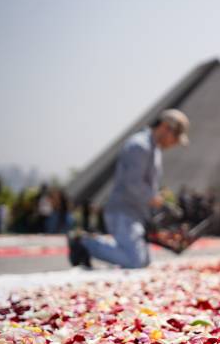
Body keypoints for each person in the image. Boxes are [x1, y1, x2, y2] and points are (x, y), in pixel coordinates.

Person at [68, 109, 190, 268]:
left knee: (144, 261)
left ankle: (90, 244)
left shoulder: (154, 150)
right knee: (135, 261)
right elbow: (132, 183)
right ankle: (84, 243)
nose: (174, 144)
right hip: (123, 212)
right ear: (166, 127)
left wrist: (158, 199)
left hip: (136, 213)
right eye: (175, 138)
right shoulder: (139, 146)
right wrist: (155, 200)